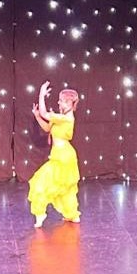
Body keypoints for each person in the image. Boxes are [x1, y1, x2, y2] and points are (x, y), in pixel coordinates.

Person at [28, 81, 81, 228]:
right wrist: (37, 116)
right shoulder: (60, 118)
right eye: (60, 101)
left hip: (64, 157)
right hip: (60, 155)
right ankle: (72, 215)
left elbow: (46, 113)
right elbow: (47, 128)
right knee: (63, 188)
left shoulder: (67, 118)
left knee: (42, 182)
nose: (59, 103)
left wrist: (41, 93)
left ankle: (40, 213)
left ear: (70, 104)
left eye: (62, 101)